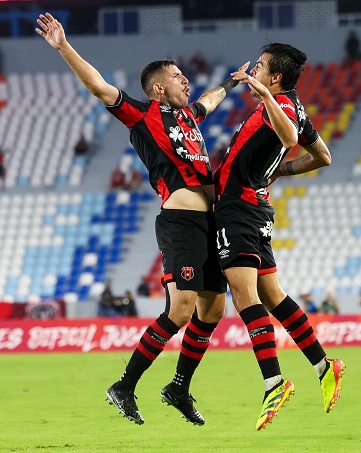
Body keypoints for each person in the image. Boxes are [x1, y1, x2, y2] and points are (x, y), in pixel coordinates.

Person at [37, 12, 233, 426]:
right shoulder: (144, 115)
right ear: (159, 88)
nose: (186, 81)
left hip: (210, 223)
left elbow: (211, 99)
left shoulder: (191, 116)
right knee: (181, 310)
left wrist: (233, 83)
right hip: (180, 220)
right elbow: (99, 87)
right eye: (177, 76)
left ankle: (178, 387)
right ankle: (124, 386)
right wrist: (64, 46)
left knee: (214, 310)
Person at [211, 43, 343, 430]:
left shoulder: (281, 106)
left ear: (275, 77)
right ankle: (324, 366)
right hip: (255, 206)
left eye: (261, 66)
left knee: (244, 295)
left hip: (238, 209)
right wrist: (280, 172)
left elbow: (288, 137)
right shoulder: (295, 107)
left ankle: (274, 382)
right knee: (272, 296)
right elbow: (323, 156)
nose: (255, 69)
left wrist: (266, 97)